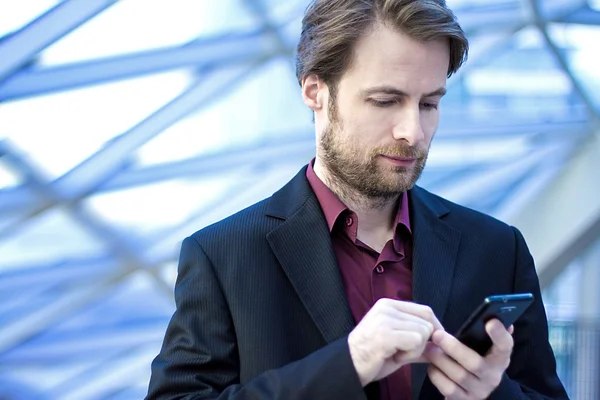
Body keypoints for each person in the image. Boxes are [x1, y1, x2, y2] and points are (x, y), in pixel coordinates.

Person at [146, 0, 569, 399]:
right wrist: (349, 363)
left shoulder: (496, 249)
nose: (413, 133)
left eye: (429, 104)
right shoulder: (224, 255)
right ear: (316, 92)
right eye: (386, 101)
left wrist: (492, 394)